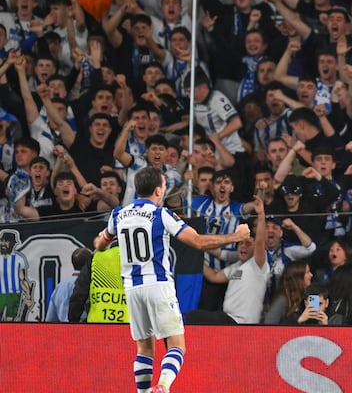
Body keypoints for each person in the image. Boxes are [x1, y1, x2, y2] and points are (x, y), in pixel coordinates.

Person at [93, 166, 250, 393]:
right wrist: (237, 236)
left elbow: (100, 244)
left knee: (144, 349)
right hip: (158, 285)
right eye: (165, 186)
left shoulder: (119, 214)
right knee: (177, 345)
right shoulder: (161, 214)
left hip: (132, 290)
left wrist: (102, 240)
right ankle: (163, 386)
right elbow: (197, 242)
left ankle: (144, 392)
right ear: (158, 190)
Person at [187, 195, 268, 325]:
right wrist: (193, 256)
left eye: (248, 243)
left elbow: (260, 242)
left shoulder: (258, 265)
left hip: (243, 322)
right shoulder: (236, 266)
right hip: (228, 319)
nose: (243, 246)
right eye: (240, 243)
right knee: (192, 316)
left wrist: (261, 215)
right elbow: (213, 276)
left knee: (192, 317)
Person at [68, 246, 129, 324]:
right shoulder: (137, 261)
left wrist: (73, 321)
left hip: (97, 325)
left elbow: (79, 295)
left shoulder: (96, 258)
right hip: (128, 326)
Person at [46, 247, 91, 322]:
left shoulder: (60, 287)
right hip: (85, 331)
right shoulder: (91, 286)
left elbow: (50, 320)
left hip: (63, 332)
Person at [263, 260, 312, 324]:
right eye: (308, 272)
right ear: (298, 277)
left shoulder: (305, 296)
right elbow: (268, 325)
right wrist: (297, 320)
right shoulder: (282, 300)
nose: (311, 275)